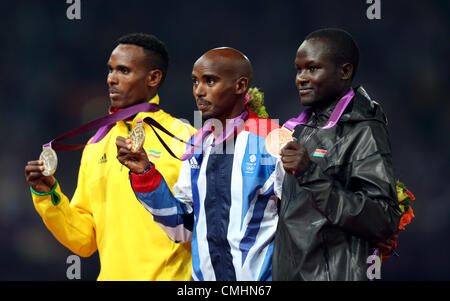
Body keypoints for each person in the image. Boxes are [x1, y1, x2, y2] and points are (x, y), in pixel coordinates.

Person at [24, 33, 193, 280]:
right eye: (110, 70)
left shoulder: (186, 138)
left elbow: (204, 225)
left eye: (123, 71)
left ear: (153, 77)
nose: (111, 79)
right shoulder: (95, 146)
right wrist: (47, 196)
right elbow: (84, 240)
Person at [116, 47, 283, 281]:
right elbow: (182, 229)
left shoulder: (272, 139)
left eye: (210, 81)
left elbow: (300, 224)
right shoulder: (197, 145)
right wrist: (145, 174)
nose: (199, 91)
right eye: (195, 82)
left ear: (240, 85)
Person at [273, 28, 402, 280]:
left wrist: (310, 173)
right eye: (299, 70)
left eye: (312, 68)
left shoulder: (364, 128)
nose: (301, 78)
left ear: (344, 71)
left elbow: (383, 218)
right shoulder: (305, 128)